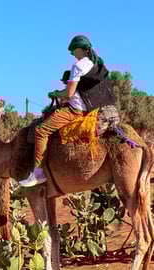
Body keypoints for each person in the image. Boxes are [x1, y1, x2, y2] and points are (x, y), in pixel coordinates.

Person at [19, 35, 117, 187]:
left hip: (76, 110)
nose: (73, 55)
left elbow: (69, 94)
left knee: (41, 130)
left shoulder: (77, 66)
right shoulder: (96, 63)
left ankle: (39, 172)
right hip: (94, 107)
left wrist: (56, 94)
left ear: (78, 49)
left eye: (73, 52)